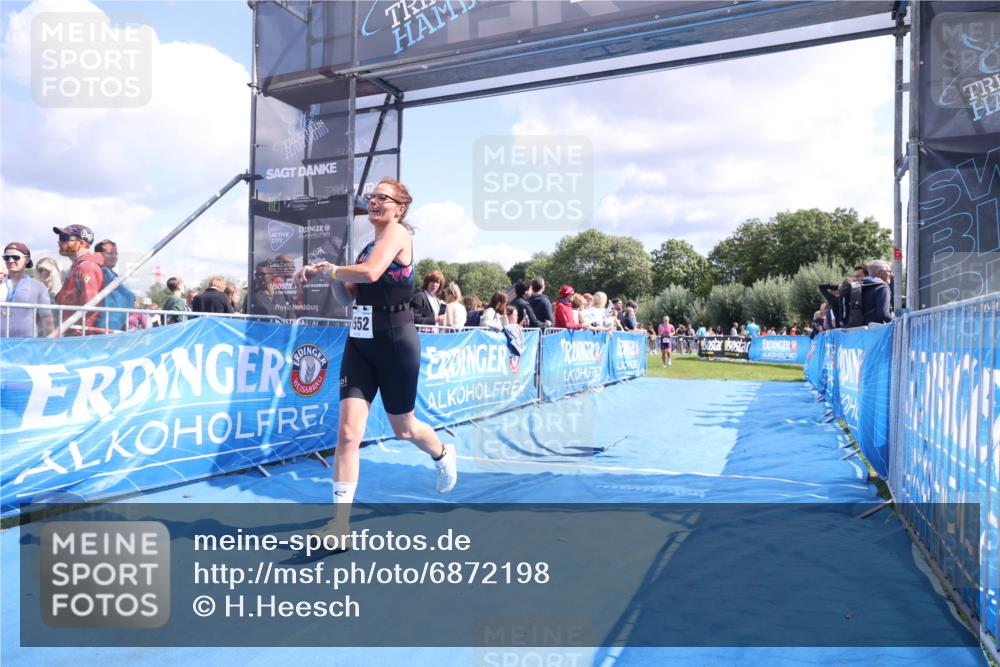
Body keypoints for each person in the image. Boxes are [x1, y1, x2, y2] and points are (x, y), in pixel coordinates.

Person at [302, 178, 457, 544]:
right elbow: (349, 296)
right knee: (347, 433)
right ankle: (340, 526)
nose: (373, 201)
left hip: (395, 340)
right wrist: (329, 276)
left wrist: (330, 269)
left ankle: (442, 453)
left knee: (404, 428)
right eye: (371, 197)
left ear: (399, 208)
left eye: (382, 197)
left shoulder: (398, 234)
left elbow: (372, 273)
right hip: (360, 342)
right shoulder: (366, 248)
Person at [52, 225, 106, 335]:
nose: (59, 242)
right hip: (72, 333)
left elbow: (92, 307)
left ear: (81, 243)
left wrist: (78, 335)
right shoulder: (78, 266)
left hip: (78, 337)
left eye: (64, 238)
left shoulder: (86, 267)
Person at [1, 242, 53, 337]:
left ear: (27, 259)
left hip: (26, 343)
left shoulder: (38, 287)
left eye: (15, 257)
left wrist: (50, 343)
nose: (10, 261)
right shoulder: (1, 283)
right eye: (6, 258)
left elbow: (46, 318)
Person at [94, 239, 135, 332]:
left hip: (114, 325)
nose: (114, 257)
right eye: (110, 253)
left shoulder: (113, 275)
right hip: (102, 326)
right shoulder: (99, 272)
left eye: (116, 254)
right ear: (99, 254)